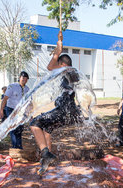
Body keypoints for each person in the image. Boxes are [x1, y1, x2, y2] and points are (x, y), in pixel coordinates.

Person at [30, 31, 82, 175]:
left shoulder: (67, 70)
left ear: (62, 64)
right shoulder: (72, 73)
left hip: (64, 111)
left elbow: (50, 66)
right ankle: (47, 160)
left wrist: (58, 49)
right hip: (71, 113)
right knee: (46, 129)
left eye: (59, 65)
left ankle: (46, 154)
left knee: (34, 123)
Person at [0, 71, 30, 149]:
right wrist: (1, 110)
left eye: (26, 79)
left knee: (20, 129)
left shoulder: (27, 89)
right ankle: (15, 146)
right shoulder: (12, 86)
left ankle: (19, 147)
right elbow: (5, 99)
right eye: (23, 78)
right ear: (19, 78)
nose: (24, 80)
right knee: (13, 127)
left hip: (21, 111)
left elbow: (29, 102)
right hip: (11, 110)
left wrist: (29, 113)